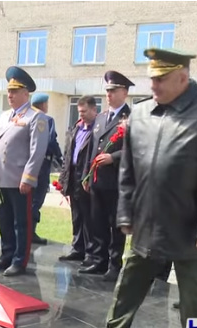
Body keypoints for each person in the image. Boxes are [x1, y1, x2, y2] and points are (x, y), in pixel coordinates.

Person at [78, 48, 197, 328]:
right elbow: (129, 170)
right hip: (147, 221)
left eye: (161, 78)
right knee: (127, 287)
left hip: (190, 225)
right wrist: (125, 212)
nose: (154, 84)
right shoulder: (141, 112)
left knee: (194, 298)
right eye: (151, 77)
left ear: (183, 77)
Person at [0, 66, 49, 277]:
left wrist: (28, 178)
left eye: (14, 91)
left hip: (20, 180)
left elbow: (37, 151)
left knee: (21, 223)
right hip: (1, 178)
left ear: (26, 93)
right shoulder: (4, 116)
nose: (10, 95)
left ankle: (19, 260)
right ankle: (7, 255)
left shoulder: (35, 117)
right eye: (8, 91)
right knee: (4, 220)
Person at [80, 71, 132, 282]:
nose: (109, 95)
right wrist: (86, 176)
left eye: (113, 90)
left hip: (117, 182)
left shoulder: (131, 118)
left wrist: (114, 157)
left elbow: (136, 149)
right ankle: (98, 260)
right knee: (97, 222)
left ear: (125, 92)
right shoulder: (101, 118)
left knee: (115, 225)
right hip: (97, 181)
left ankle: (114, 264)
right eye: (107, 91)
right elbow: (91, 149)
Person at [57, 96, 98, 267]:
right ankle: (77, 248)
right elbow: (68, 154)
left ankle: (90, 252)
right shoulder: (76, 128)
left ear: (94, 110)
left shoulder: (97, 130)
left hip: (87, 178)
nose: (81, 115)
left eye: (85, 112)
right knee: (76, 216)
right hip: (73, 177)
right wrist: (63, 178)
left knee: (89, 218)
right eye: (79, 112)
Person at [29, 93, 63, 245]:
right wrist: (61, 159)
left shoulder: (27, 118)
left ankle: (25, 231)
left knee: (28, 199)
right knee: (37, 198)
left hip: (26, 164)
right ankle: (30, 232)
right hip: (42, 165)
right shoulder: (47, 120)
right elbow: (51, 141)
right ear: (43, 105)